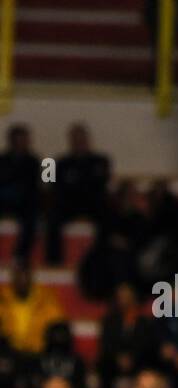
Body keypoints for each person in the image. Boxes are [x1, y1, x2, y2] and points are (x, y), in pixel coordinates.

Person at [45, 124, 112, 266]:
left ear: (88, 140)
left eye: (82, 139)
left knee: (107, 218)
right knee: (52, 220)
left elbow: (101, 184)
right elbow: (53, 186)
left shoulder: (101, 160)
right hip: (69, 204)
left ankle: (101, 261)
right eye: (76, 139)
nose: (79, 143)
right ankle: (54, 263)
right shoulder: (59, 162)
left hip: (93, 203)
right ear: (70, 141)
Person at [0, 263, 65, 356]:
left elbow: (58, 327)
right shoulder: (2, 299)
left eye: (26, 276)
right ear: (13, 279)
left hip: (38, 355)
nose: (22, 280)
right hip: (7, 356)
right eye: (19, 276)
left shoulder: (46, 300)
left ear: (31, 278)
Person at [0, 124, 41, 263]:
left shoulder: (37, 161)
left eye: (24, 139)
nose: (21, 143)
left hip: (25, 203)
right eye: (18, 140)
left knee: (32, 220)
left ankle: (20, 258)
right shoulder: (2, 160)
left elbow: (43, 186)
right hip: (4, 200)